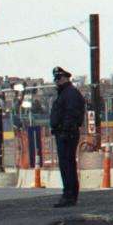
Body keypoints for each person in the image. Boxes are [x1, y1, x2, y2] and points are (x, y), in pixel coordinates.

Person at [49, 66, 85, 207]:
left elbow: (72, 113)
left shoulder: (69, 93)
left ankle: (69, 195)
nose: (57, 81)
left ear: (65, 78)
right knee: (66, 164)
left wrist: (65, 129)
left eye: (59, 78)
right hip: (64, 132)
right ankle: (69, 193)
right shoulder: (65, 93)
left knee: (67, 164)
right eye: (56, 78)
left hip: (67, 133)